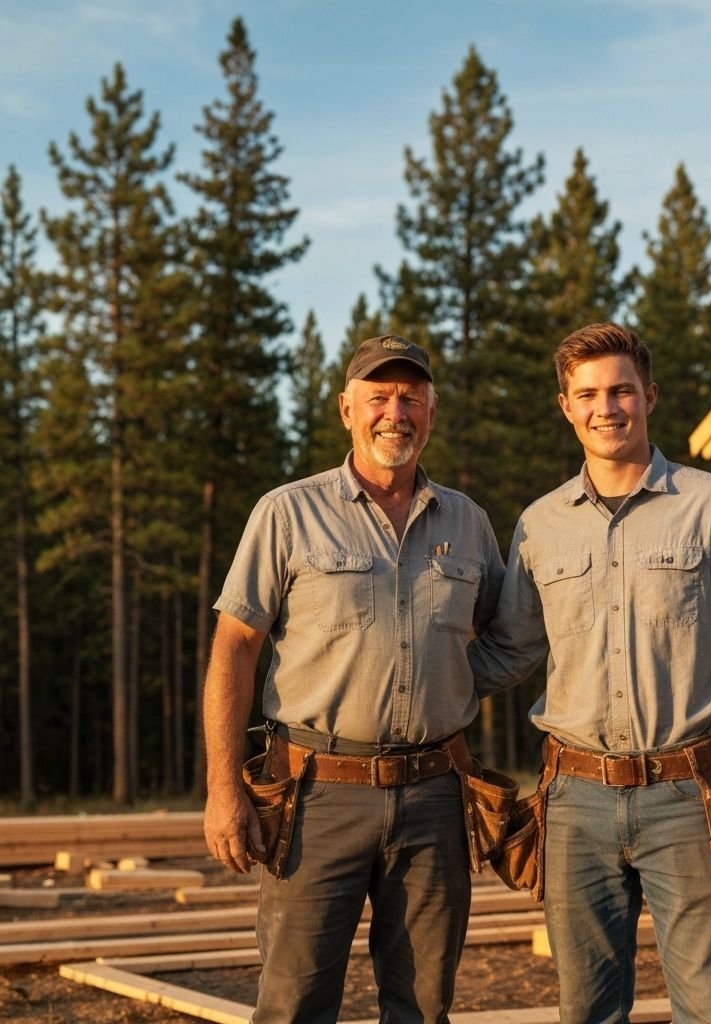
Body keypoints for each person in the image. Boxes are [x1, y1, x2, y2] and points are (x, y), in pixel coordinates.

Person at [468, 322, 711, 1024]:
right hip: (573, 802)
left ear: (649, 395)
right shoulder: (540, 525)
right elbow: (510, 651)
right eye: (588, 393)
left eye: (621, 390)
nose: (607, 407)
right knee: (586, 1010)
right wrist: (395, 682)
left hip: (694, 794)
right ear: (565, 406)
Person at [202, 335, 504, 1024]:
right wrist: (224, 788)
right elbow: (234, 650)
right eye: (378, 397)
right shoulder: (287, 513)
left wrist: (454, 688)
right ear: (347, 409)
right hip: (316, 799)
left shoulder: (468, 521)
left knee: (424, 1006)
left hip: (435, 800)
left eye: (411, 398)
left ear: (431, 411)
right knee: (294, 1004)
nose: (394, 412)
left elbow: (507, 634)